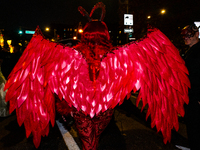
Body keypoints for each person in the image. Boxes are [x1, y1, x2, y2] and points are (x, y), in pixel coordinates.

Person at [181, 23, 200, 150]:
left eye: (189, 35)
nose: (186, 37)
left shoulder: (198, 51)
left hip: (196, 98)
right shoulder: (190, 51)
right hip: (191, 97)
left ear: (197, 34)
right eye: (184, 36)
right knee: (193, 130)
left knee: (196, 130)